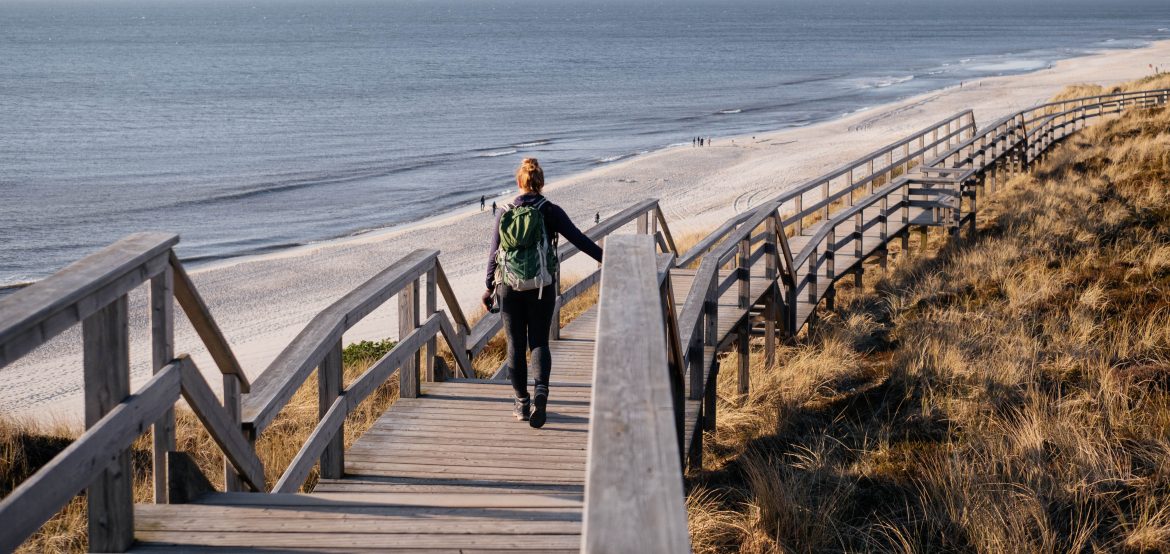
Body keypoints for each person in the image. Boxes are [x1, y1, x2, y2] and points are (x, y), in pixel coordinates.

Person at [483, 158, 602, 428]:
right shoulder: (550, 210)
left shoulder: (505, 211)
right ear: (541, 182)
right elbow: (579, 239)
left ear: (519, 182)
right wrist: (607, 257)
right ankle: (541, 393)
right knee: (539, 342)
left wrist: (489, 285)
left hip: (509, 287)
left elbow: (494, 253)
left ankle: (522, 403)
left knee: (515, 344)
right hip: (541, 287)